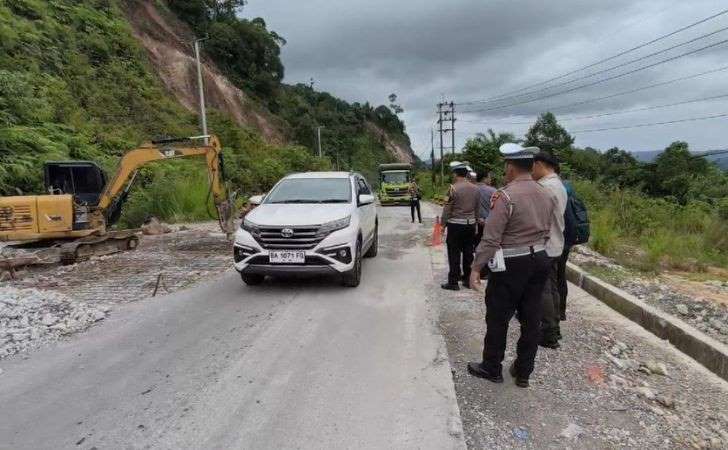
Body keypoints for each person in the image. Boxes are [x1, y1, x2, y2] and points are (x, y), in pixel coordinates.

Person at [467, 144, 554, 388]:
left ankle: (492, 367)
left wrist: (476, 268)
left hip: (512, 263)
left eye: (506, 166)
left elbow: (492, 237)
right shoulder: (545, 193)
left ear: (511, 168)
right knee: (531, 317)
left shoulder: (505, 196)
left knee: (498, 316)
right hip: (540, 258)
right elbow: (549, 229)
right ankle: (524, 372)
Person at [532, 151, 567, 349]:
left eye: (532, 166)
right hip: (556, 244)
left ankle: (548, 333)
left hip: (545, 245)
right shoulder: (558, 184)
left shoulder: (546, 187)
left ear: (539, 164)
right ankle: (555, 327)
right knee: (552, 288)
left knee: (544, 290)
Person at [441, 162, 480, 291]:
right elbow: (477, 209)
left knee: (454, 252)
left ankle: (453, 282)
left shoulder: (452, 188)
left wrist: (442, 225)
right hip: (470, 225)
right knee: (469, 253)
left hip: (455, 225)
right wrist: (475, 224)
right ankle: (468, 280)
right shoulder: (475, 188)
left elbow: (447, 208)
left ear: (456, 174)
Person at [475, 171, 497, 244]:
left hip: (472, 223)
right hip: (487, 223)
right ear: (484, 179)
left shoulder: (471, 189)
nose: (490, 179)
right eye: (489, 177)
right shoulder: (493, 191)